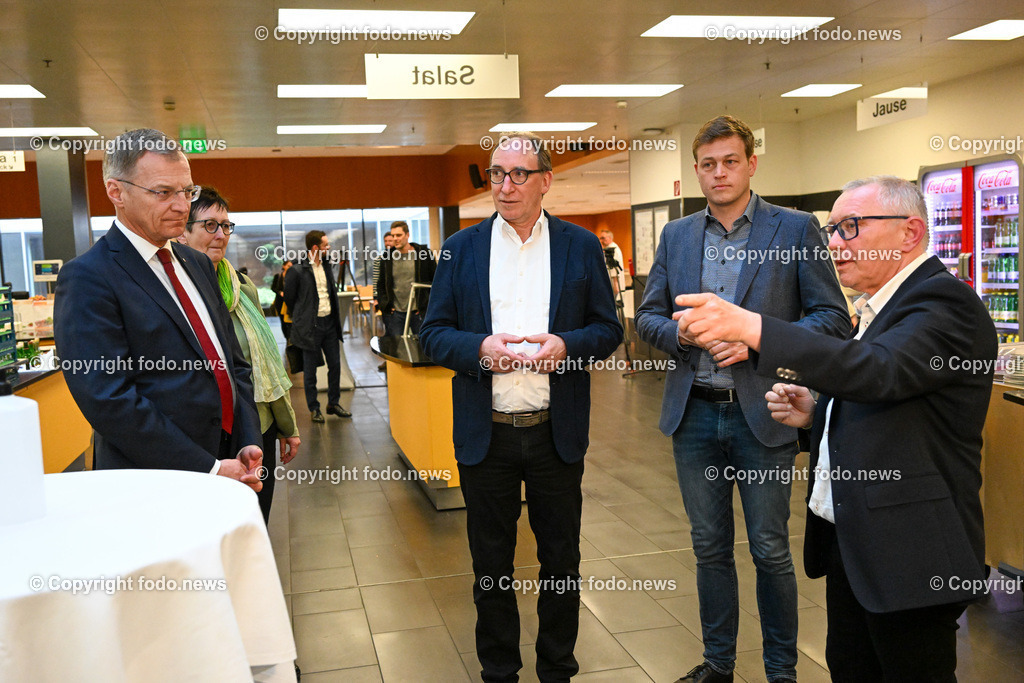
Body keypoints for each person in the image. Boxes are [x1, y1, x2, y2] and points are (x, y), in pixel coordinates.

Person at [675, 175, 996, 682]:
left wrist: (752, 327)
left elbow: (880, 369)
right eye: (832, 231)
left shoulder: (945, 302)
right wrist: (816, 415)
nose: (836, 245)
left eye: (851, 228)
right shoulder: (877, 307)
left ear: (909, 232)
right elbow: (881, 392)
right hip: (856, 540)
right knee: (851, 666)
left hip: (910, 552)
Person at [634, 115, 851, 683]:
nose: (719, 173)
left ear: (751, 164)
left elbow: (832, 320)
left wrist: (758, 344)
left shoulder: (795, 228)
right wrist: (681, 333)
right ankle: (718, 665)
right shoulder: (677, 236)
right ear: (697, 171)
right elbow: (648, 317)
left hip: (766, 416)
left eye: (730, 161)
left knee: (769, 549)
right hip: (695, 416)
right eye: (708, 164)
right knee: (709, 549)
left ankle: (782, 671)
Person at [420, 132, 622, 683]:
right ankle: (499, 672)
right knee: (491, 566)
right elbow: (432, 333)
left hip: (557, 433)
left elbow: (608, 329)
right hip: (486, 436)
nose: (504, 186)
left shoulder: (580, 247)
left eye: (518, 174)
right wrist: (479, 351)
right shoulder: (461, 249)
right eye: (496, 174)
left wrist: (567, 346)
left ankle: (558, 669)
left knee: (561, 563)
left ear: (545, 181)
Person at [53, 128, 263, 490]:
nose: (182, 205)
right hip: (154, 478)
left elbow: (233, 362)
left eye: (187, 191)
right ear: (116, 192)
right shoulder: (88, 277)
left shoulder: (196, 263)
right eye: (163, 192)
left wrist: (247, 438)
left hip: (230, 457)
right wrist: (208, 468)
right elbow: (108, 399)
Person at [179, 187, 301, 523]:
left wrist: (287, 426)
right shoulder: (176, 292)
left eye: (226, 225)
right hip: (206, 437)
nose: (221, 235)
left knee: (256, 521)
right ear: (183, 231)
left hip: (256, 427)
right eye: (209, 226)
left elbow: (262, 362)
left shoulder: (241, 286)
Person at [284, 230, 351, 423]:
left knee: (335, 365)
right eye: (325, 245)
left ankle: (333, 403)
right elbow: (290, 298)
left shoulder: (328, 265)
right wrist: (303, 315)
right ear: (315, 248)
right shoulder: (297, 270)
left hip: (329, 323)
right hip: (310, 328)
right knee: (310, 371)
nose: (328, 248)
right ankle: (314, 408)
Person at [376, 220, 436, 336]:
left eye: (399, 235)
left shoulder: (423, 254)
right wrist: (385, 305)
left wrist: (426, 305)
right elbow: (381, 284)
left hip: (418, 311)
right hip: (395, 313)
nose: (395, 239)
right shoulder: (387, 257)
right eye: (393, 235)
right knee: (396, 351)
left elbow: (435, 281)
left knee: (422, 349)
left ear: (407, 235)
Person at [373, 232, 395, 370]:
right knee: (390, 333)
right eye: (385, 240)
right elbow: (376, 282)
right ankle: (389, 361)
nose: (388, 243)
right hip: (387, 303)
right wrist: (377, 300)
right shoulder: (380, 259)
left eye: (390, 240)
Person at [598, 228, 625, 294]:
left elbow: (613, 268)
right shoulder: (608, 249)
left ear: (610, 238)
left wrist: (615, 286)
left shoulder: (613, 250)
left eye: (603, 238)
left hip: (615, 287)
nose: (601, 240)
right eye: (600, 238)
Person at [272, 259, 293, 338]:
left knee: (290, 321)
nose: (290, 268)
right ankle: (287, 338)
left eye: (291, 266)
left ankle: (291, 339)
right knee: (283, 322)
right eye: (288, 266)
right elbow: (273, 288)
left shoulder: (293, 277)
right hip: (280, 302)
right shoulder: (278, 276)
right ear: (283, 266)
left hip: (289, 302)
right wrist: (280, 292)